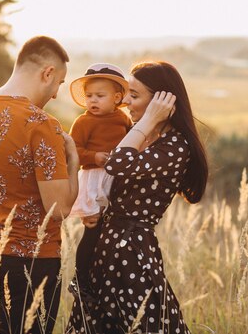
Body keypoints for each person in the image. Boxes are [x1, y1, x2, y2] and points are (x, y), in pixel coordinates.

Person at [0, 36, 80, 334]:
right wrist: (74, 165)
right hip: (32, 262)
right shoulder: (42, 125)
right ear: (47, 73)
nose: (57, 94)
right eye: (59, 82)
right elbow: (58, 209)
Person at [66, 61, 208, 334]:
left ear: (161, 101)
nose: (126, 102)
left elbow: (116, 163)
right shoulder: (145, 136)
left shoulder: (175, 145)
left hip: (131, 253)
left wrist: (147, 120)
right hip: (105, 248)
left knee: (145, 325)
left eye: (134, 95)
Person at [66, 63, 132, 301]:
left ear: (116, 98)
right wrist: (94, 156)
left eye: (99, 96)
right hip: (94, 178)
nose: (92, 101)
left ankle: (104, 279)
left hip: (115, 180)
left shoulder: (123, 119)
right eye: (89, 96)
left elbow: (133, 142)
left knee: (110, 231)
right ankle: (80, 279)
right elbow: (73, 152)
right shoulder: (84, 122)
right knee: (92, 230)